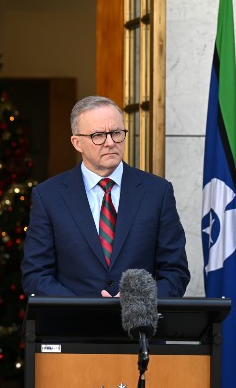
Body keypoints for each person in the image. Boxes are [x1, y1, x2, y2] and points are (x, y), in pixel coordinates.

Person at [21, 96, 190, 298]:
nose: (110, 142)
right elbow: (35, 275)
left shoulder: (157, 192)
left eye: (116, 133)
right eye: (98, 135)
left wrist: (138, 300)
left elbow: (175, 273)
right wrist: (83, 309)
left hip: (136, 326)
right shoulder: (49, 196)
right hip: (73, 326)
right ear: (77, 143)